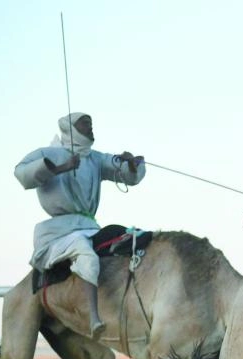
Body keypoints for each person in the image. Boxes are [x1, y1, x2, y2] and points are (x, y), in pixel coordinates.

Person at [14, 113, 146, 339]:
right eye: (85, 124)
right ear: (71, 128)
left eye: (91, 124)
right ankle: (93, 316)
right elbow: (21, 173)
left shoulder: (95, 158)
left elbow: (126, 174)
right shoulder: (50, 153)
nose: (90, 127)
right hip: (59, 232)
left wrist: (130, 164)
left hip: (89, 226)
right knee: (85, 252)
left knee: (128, 240)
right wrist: (62, 167)